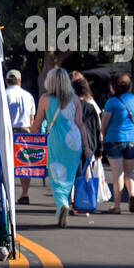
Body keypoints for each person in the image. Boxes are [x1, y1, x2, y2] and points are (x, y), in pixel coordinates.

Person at [30, 67, 83, 227]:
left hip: (56, 140)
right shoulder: (74, 99)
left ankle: (62, 204)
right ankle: (65, 201)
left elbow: (37, 124)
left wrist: (30, 137)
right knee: (69, 176)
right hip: (74, 141)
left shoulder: (45, 99)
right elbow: (81, 124)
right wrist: (87, 147)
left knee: (56, 175)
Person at [99, 72, 134, 213]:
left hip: (114, 139)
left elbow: (104, 124)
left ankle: (117, 206)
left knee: (118, 174)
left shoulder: (112, 102)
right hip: (132, 139)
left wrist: (102, 137)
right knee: (129, 172)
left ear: (113, 86)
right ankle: (132, 194)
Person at [70, 75, 103, 215]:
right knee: (86, 174)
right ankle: (85, 202)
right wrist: (99, 149)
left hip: (74, 144)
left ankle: (73, 202)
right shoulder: (91, 107)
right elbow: (97, 129)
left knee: (74, 175)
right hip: (90, 144)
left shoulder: (71, 106)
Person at [4, 69, 37, 205]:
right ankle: (24, 193)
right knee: (24, 163)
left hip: (8, 131)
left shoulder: (4, 94)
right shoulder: (28, 96)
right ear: (20, 80)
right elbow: (32, 119)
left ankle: (7, 194)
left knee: (7, 163)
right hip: (25, 131)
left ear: (6, 81)